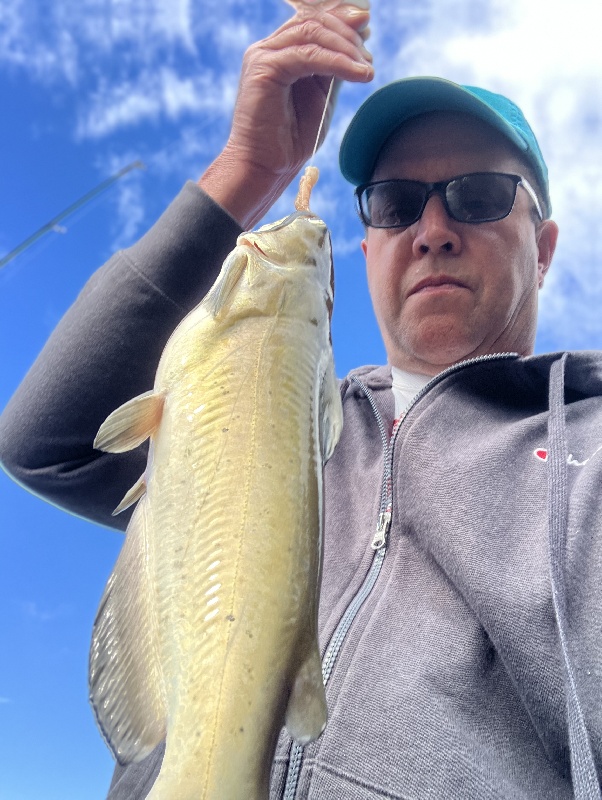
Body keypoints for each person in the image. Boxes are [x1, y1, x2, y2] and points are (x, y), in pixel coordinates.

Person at [1, 4, 602, 799]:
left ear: (546, 244)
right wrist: (245, 174)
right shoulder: (256, 415)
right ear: (367, 248)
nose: (432, 229)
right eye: (394, 203)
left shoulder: (587, 449)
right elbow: (44, 440)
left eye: (480, 195)